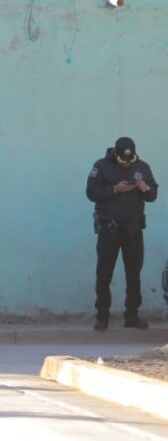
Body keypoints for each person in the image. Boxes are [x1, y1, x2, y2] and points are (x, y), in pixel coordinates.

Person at [86, 136, 158, 331]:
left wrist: (145, 188)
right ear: (115, 154)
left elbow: (152, 195)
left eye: (130, 159)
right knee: (104, 274)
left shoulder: (141, 167)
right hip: (110, 229)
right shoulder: (101, 166)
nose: (127, 163)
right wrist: (114, 189)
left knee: (134, 274)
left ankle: (132, 316)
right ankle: (102, 317)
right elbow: (91, 192)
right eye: (123, 159)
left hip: (133, 230)